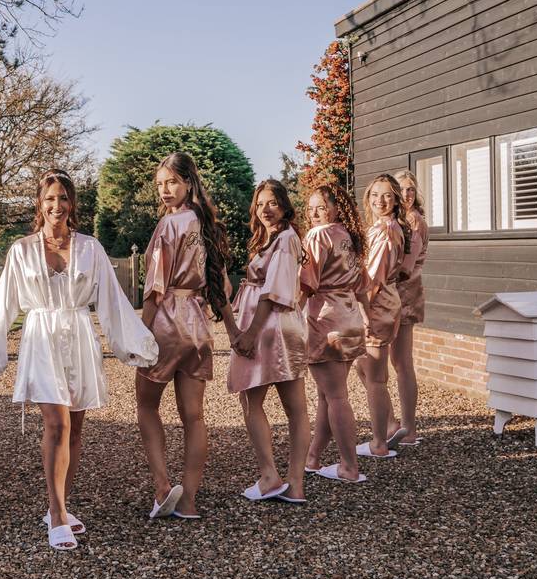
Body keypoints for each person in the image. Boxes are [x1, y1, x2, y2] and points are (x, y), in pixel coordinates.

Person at [0, 169, 158, 551]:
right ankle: (56, 514)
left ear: (72, 203)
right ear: (39, 205)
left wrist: (139, 348)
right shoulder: (21, 250)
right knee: (55, 424)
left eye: (63, 198)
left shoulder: (91, 248)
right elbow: (2, 305)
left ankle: (61, 504)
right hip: (41, 338)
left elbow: (112, 302)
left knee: (75, 429)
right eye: (49, 199)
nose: (56, 206)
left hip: (78, 337)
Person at [135, 152, 239, 520]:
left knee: (147, 406)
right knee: (194, 416)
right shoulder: (206, 226)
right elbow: (219, 286)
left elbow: (155, 288)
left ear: (188, 183)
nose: (165, 190)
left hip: (168, 322)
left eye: (172, 183)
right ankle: (189, 499)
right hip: (198, 327)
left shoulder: (170, 225)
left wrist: (142, 332)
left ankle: (163, 486)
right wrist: (234, 330)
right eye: (160, 184)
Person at [228, 179, 309, 503]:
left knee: (255, 401)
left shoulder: (287, 239)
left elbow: (273, 293)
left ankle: (271, 476)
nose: (265, 209)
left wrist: (250, 333)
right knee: (293, 408)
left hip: (270, 328)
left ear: (284, 206)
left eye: (272, 202)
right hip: (277, 326)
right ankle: (292, 483)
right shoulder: (271, 239)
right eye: (260, 203)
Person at [301, 184, 368, 483]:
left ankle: (349, 466)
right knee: (327, 396)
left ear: (336, 208)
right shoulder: (348, 236)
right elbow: (362, 281)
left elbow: (307, 282)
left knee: (336, 396)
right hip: (350, 316)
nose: (315, 213)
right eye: (311, 207)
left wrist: (287, 313)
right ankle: (313, 458)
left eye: (321, 206)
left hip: (325, 318)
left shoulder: (318, 235)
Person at [354, 173, 410, 458]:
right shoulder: (386, 227)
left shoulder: (386, 230)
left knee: (375, 376)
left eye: (387, 194)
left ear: (396, 199)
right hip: (386, 303)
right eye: (375, 194)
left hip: (377, 305)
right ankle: (389, 424)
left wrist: (362, 310)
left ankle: (378, 444)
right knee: (363, 367)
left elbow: (372, 280)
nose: (380, 200)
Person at [389, 170, 428, 447]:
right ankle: (396, 425)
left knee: (402, 363)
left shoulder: (413, 220)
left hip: (403, 295)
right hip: (393, 295)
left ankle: (408, 429)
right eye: (402, 190)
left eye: (411, 189)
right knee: (382, 362)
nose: (408, 194)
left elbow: (406, 266)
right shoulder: (397, 221)